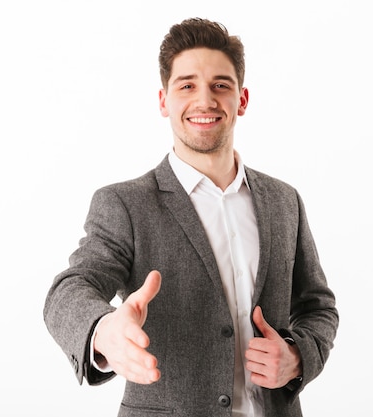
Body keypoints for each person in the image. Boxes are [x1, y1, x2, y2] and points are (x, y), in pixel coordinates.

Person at [43, 17, 338, 417]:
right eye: (186, 86)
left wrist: (298, 356)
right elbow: (70, 288)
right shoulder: (125, 204)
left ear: (242, 99)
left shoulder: (284, 201)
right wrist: (103, 331)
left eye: (220, 85)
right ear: (164, 100)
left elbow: (318, 306)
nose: (205, 100)